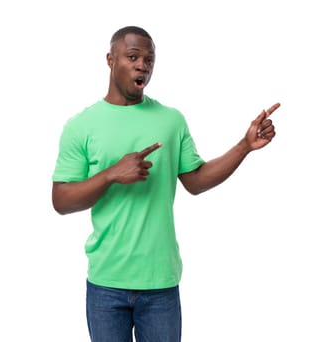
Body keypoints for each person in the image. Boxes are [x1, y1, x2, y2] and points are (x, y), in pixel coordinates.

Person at [52, 25, 280, 342]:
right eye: (133, 56)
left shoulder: (171, 120)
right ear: (110, 59)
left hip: (160, 282)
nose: (142, 65)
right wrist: (110, 174)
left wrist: (244, 146)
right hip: (106, 282)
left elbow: (196, 181)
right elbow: (61, 200)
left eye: (149, 59)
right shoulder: (81, 126)